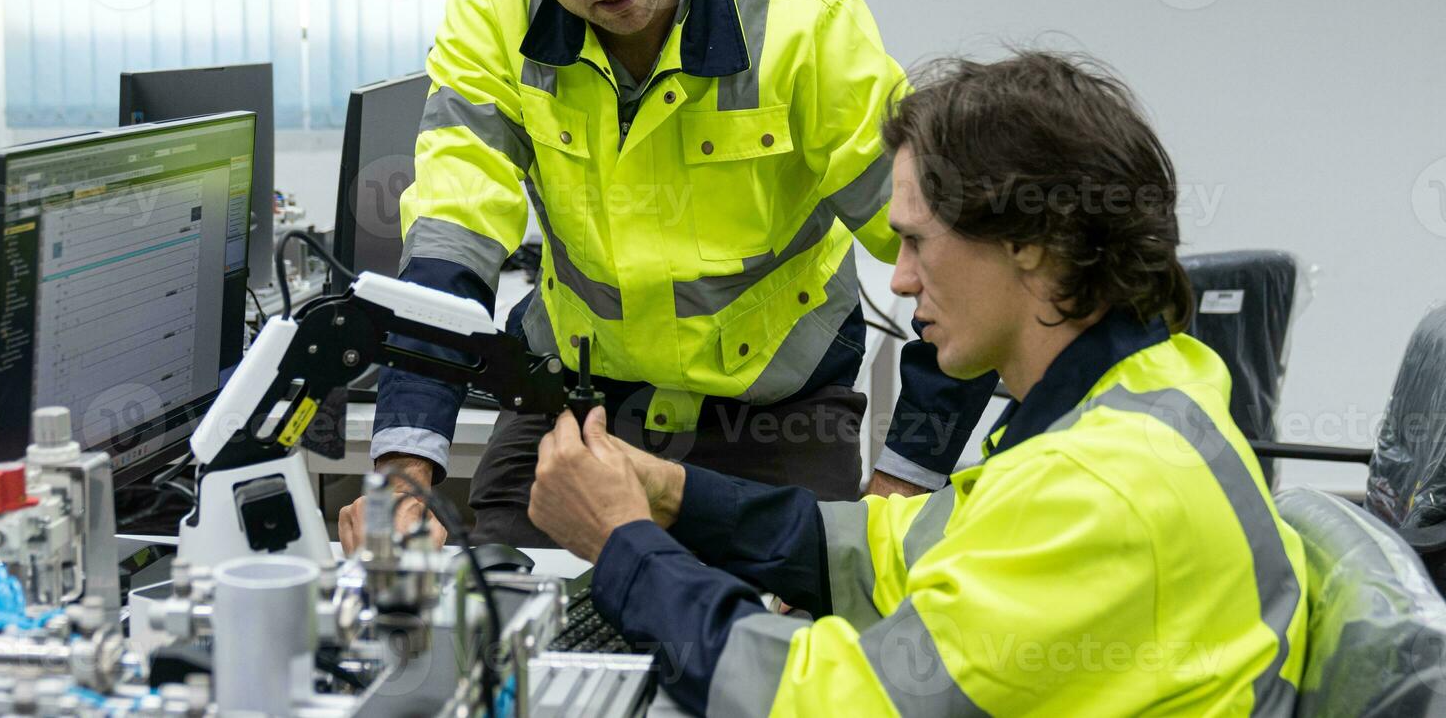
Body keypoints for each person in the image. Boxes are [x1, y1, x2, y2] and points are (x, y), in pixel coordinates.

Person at [527, 51, 1310, 716]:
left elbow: (833, 702)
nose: (898, 282)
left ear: (1032, 244)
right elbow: (890, 552)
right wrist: (670, 494)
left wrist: (622, 546)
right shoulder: (1153, 381)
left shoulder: (1099, 488)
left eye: (915, 243)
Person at [337, 0, 985, 553]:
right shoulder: (494, 14)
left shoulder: (803, 30)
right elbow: (451, 242)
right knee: (500, 605)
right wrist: (402, 475)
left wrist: (901, 484)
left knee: (772, 648)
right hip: (579, 400)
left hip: (774, 414)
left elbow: (962, 256)